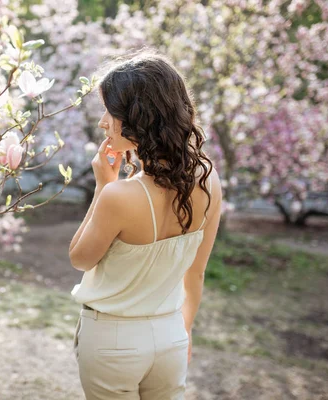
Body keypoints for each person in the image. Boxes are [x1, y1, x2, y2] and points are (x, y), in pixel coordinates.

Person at [69, 48, 222, 400]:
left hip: (113, 343)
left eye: (110, 111)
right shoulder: (209, 181)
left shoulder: (119, 196)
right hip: (171, 334)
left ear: (141, 118)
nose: (102, 122)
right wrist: (184, 330)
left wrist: (103, 185)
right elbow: (195, 275)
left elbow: (80, 258)